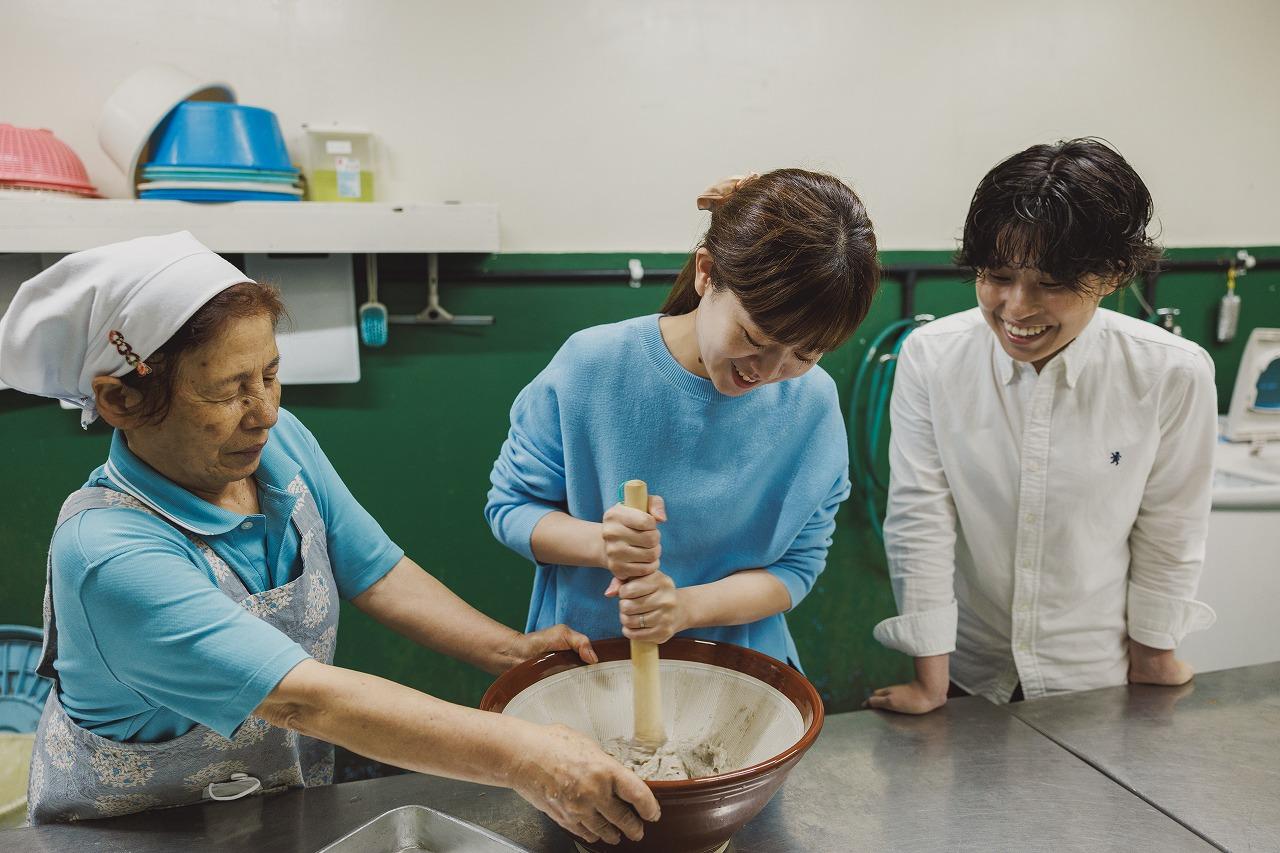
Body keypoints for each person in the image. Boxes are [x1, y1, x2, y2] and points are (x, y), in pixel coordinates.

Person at [0, 232, 658, 844]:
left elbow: (372, 569)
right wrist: (527, 754)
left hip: (273, 808)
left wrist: (510, 652)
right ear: (119, 400)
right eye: (229, 391)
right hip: (136, 836)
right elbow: (302, 697)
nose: (265, 412)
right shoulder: (107, 553)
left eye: (269, 373)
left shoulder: (274, 448)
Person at [868, 139, 1217, 713]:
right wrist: (930, 678)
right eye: (997, 276)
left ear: (1112, 275)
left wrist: (1155, 656)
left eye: (1052, 283)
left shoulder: (1172, 373)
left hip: (1098, 676)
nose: (1017, 307)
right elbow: (919, 516)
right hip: (971, 673)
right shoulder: (932, 357)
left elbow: (1172, 528)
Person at [486, 169, 879, 667]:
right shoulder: (593, 366)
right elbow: (511, 508)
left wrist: (685, 607)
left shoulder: (813, 403)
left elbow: (797, 568)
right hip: (590, 663)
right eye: (754, 339)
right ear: (707, 272)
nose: (769, 371)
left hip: (742, 674)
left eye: (806, 353)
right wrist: (602, 544)